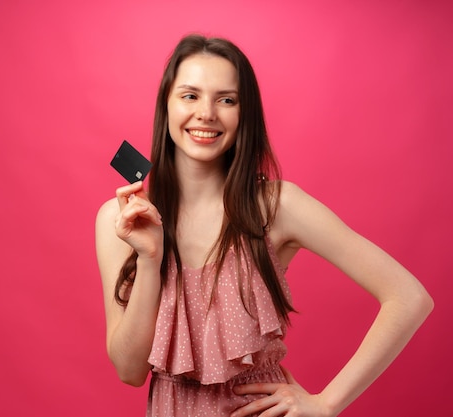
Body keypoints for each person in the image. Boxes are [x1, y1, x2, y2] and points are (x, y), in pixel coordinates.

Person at [95, 34, 433, 417]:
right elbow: (129, 370)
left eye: (226, 99)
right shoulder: (121, 220)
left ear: (244, 113)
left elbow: (409, 297)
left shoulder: (276, 205)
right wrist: (149, 258)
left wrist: (326, 404)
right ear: (166, 106)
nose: (206, 113)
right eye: (190, 96)